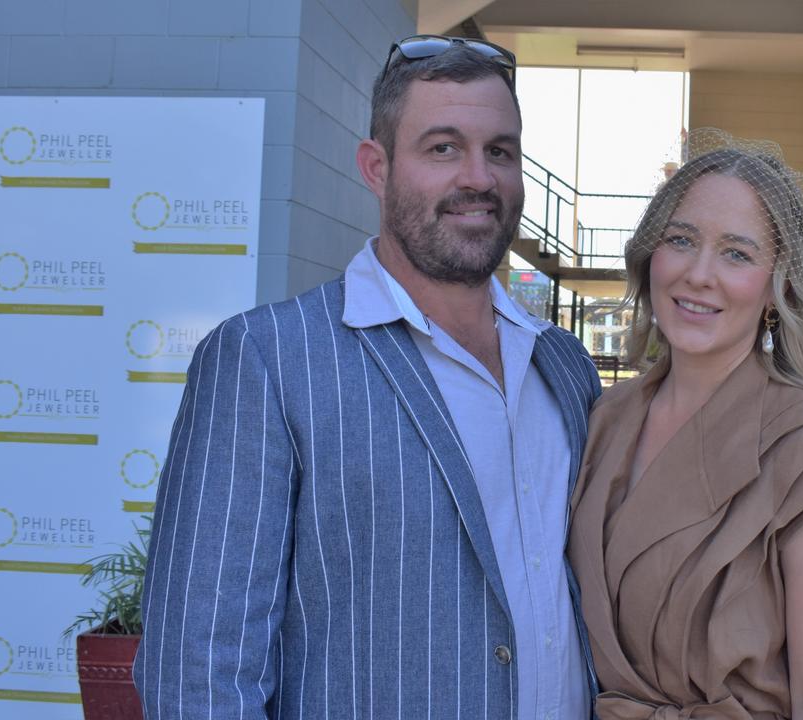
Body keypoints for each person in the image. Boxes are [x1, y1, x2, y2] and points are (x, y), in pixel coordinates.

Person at [135, 36, 601, 720]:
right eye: (442, 147)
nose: (478, 177)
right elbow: (198, 675)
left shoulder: (563, 364)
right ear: (376, 167)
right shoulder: (266, 360)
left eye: (500, 150)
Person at [567, 129, 803, 720]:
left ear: (777, 289)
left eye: (737, 253)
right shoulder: (602, 420)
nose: (700, 274)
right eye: (681, 240)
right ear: (650, 257)